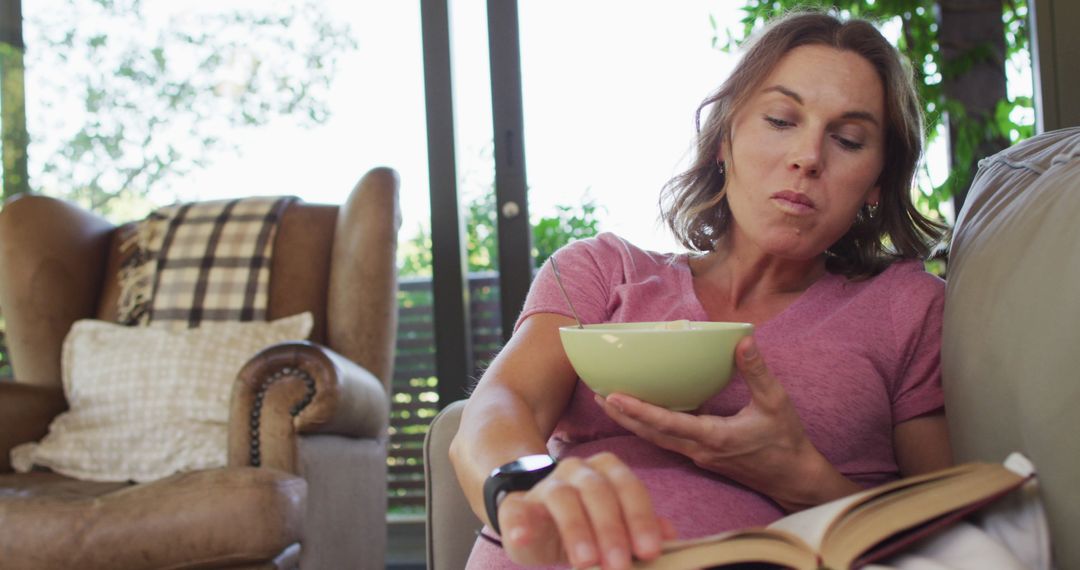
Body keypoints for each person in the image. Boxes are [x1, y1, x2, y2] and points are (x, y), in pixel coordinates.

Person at [450, 9, 953, 570]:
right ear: (724, 140)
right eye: (781, 120)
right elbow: (501, 403)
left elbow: (951, 536)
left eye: (849, 139)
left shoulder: (907, 309)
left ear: (878, 184)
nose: (808, 158)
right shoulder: (601, 269)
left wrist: (800, 477)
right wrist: (525, 494)